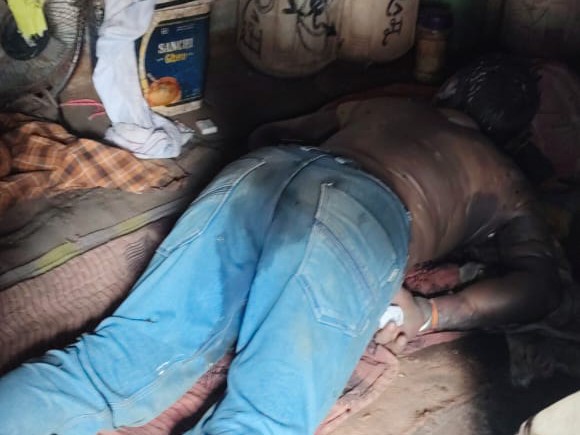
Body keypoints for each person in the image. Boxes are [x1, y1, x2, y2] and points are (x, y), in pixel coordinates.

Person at [0, 58, 561, 435]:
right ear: (510, 135)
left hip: (261, 174)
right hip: (362, 216)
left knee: (105, 367)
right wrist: (431, 313)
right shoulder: (503, 177)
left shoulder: (385, 107)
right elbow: (541, 287)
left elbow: (268, 135)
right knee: (264, 419)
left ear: (447, 93)